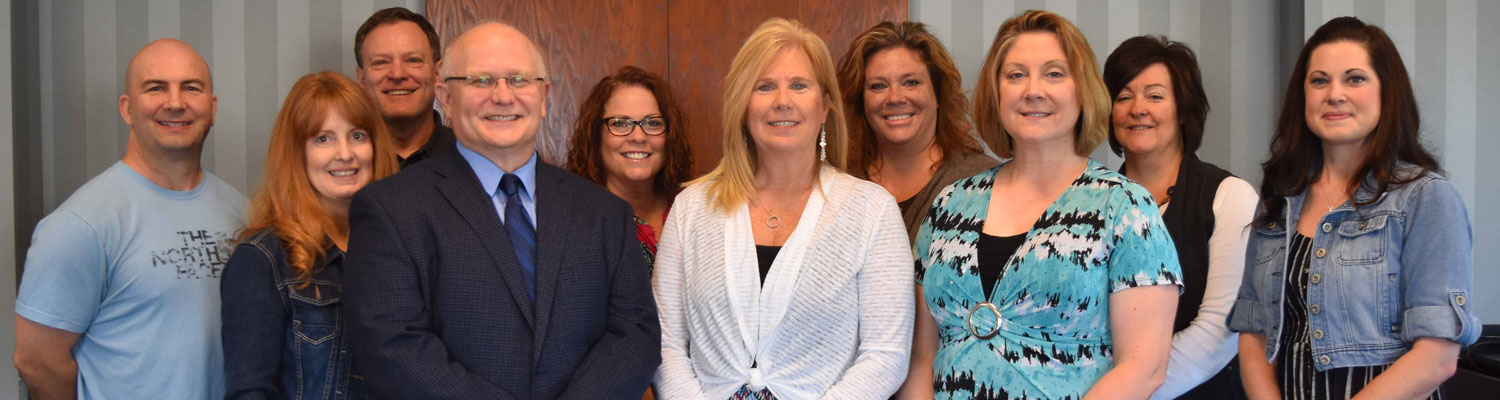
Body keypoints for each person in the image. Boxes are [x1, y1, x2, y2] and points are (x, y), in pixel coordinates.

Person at [343, 22, 660, 398]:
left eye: (519, 80)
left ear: (543, 96)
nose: (503, 96)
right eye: (480, 80)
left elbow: (634, 334)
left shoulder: (607, 213)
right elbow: (391, 348)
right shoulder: (388, 209)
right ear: (445, 97)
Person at [911, 10, 1182, 399]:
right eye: (1015, 75)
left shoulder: (1123, 206)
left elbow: (1144, 368)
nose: (1032, 89)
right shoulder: (951, 204)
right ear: (996, 92)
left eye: (1054, 73)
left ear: (1082, 90)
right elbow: (922, 357)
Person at [653, 18, 914, 400]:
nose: (782, 101)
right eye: (764, 86)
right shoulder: (692, 209)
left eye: (799, 85)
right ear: (743, 105)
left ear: (825, 106)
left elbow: (885, 354)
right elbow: (666, 342)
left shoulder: (871, 211)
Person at [1231, 17, 1480, 400]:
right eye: (1319, 80)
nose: (1335, 94)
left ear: (1387, 93)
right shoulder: (1280, 199)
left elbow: (1437, 357)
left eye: (1355, 79)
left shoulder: (1425, 198)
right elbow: (1254, 332)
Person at [13, 39, 248, 399]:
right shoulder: (81, 224)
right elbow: (37, 362)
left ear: (212, 108)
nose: (175, 102)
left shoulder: (243, 212)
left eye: (191, 88)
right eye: (156, 88)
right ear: (127, 108)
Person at [221, 71, 400, 399]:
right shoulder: (263, 259)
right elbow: (250, 391)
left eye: (358, 135)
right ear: (296, 153)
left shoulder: (399, 249)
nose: (345, 154)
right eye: (323, 138)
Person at [1102, 35, 1259, 399]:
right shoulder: (1090, 199)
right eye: (1123, 97)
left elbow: (1220, 330)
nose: (1137, 108)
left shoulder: (1229, 197)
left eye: (1155, 96)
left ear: (1184, 110)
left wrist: (1130, 390)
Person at [837, 21, 998, 243]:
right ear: (860, 101)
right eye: (878, 86)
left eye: (911, 82)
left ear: (938, 94)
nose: (895, 98)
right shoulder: (838, 183)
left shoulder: (981, 181)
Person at [564, 65, 694, 269]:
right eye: (620, 124)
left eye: (652, 123)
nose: (638, 137)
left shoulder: (693, 210)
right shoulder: (573, 221)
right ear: (595, 136)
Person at [353, 6, 455, 167]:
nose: (397, 74)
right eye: (381, 62)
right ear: (362, 78)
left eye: (413, 60)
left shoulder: (472, 158)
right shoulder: (343, 164)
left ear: (437, 73)